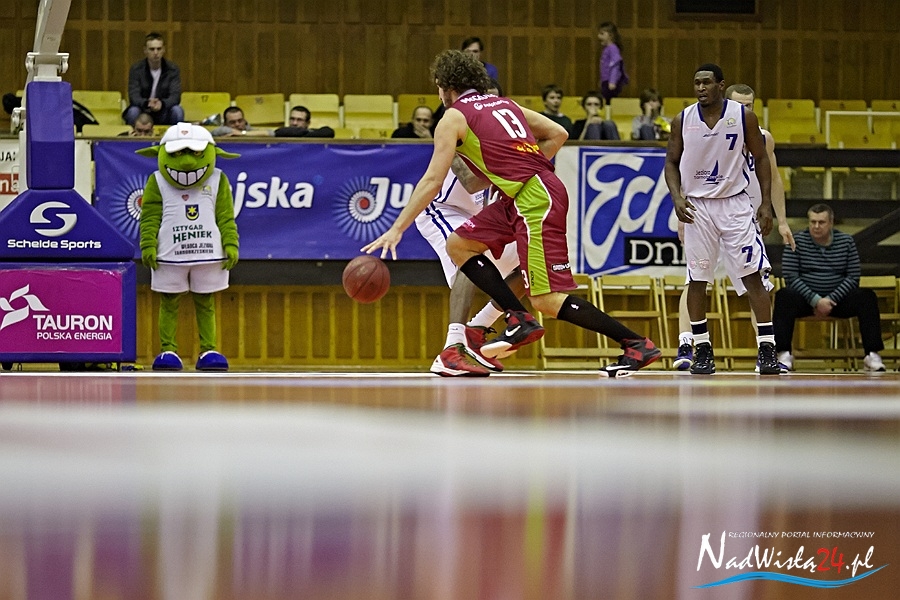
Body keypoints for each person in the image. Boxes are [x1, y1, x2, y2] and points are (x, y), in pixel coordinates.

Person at [363, 49, 661, 378]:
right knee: (459, 245)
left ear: (444, 86)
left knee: (546, 300)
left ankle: (635, 344)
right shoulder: (505, 105)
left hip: (534, 198)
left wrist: (397, 228)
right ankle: (515, 318)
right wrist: (524, 168)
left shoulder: (453, 117)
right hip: (518, 196)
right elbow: (559, 133)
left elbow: (433, 180)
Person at [664, 64, 780, 375]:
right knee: (698, 278)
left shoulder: (743, 116)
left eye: (707, 82)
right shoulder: (682, 119)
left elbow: (761, 159)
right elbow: (671, 162)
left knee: (753, 276)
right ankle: (702, 349)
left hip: (735, 205)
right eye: (696, 83)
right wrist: (676, 198)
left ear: (720, 85)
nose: (701, 88)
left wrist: (765, 203)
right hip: (698, 207)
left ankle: (767, 349)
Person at [418, 159, 524, 376]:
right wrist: (513, 165)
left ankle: (477, 329)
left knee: (531, 260)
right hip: (443, 209)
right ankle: (451, 349)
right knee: (468, 256)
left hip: (479, 213)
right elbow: (471, 182)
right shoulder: (457, 139)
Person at [773, 204, 886, 372]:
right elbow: (791, 276)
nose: (816, 226)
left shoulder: (846, 241)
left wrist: (831, 299)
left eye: (821, 222)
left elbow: (853, 277)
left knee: (867, 297)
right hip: (806, 301)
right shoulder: (795, 241)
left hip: (837, 301)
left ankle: (872, 354)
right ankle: (783, 353)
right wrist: (816, 300)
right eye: (812, 222)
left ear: (831, 223)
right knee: (783, 296)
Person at [123, 32, 184, 126]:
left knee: (177, 111)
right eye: (152, 49)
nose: (156, 53)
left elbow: (175, 96)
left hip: (164, 111)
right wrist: (147, 103)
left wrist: (161, 104)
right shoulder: (136, 69)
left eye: (159, 49)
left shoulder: (172, 69)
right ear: (145, 50)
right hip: (143, 110)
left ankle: (175, 135)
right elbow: (134, 96)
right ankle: (134, 135)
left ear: (163, 50)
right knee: (133, 112)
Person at [597, 22, 628, 104]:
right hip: (606, 80)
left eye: (602, 34)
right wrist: (602, 80)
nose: (599, 36)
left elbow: (615, 65)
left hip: (610, 81)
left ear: (610, 35)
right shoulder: (606, 49)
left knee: (608, 102)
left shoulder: (613, 48)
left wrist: (612, 81)